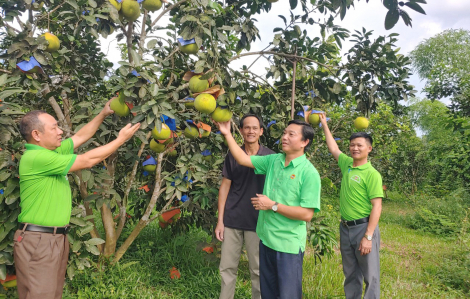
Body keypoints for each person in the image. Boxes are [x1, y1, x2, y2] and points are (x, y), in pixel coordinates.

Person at [14, 100, 140, 299]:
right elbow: (87, 160)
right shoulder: (36, 159)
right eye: (54, 127)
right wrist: (120, 139)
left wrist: (102, 114)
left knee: (52, 294)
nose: (60, 132)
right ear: (37, 135)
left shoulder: (50, 152)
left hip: (55, 238)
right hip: (39, 240)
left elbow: (80, 136)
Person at [214, 118, 321, 299]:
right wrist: (226, 133)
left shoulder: (309, 173)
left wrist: (273, 205)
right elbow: (241, 158)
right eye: (284, 133)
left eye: (291, 134)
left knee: (287, 295)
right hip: (266, 240)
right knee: (268, 293)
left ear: (304, 142)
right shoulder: (273, 161)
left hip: (288, 245)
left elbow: (307, 214)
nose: (284, 137)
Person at [319, 113, 383, 299]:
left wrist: (368, 237)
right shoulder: (347, 164)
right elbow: (333, 148)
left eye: (359, 145)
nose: (355, 148)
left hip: (363, 228)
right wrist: (324, 124)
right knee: (351, 273)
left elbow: (377, 206)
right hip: (345, 227)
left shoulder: (372, 174)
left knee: (370, 275)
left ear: (369, 148)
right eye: (352, 145)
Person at [215, 114, 274, 299]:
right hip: (232, 219)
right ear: (240, 131)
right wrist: (220, 221)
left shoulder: (270, 157)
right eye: (247, 127)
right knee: (227, 268)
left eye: (255, 128)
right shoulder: (233, 154)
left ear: (261, 131)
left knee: (257, 270)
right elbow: (225, 187)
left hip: (258, 221)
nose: (251, 131)